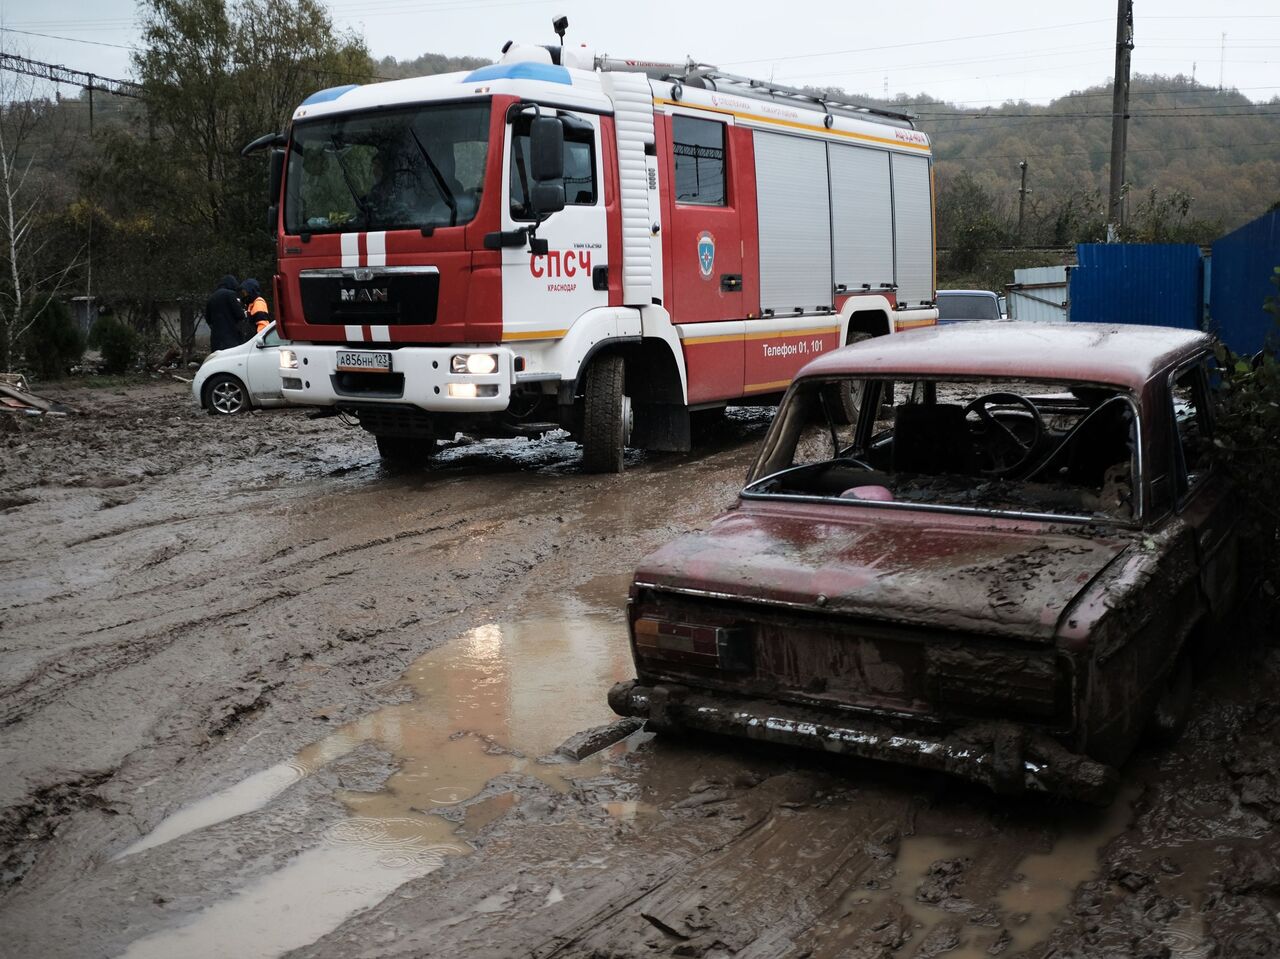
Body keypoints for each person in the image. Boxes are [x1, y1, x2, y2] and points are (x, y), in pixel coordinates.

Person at [205, 274, 245, 352]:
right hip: (230, 339)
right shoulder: (230, 294)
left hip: (216, 341)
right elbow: (240, 315)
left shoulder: (211, 298)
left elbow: (208, 319)